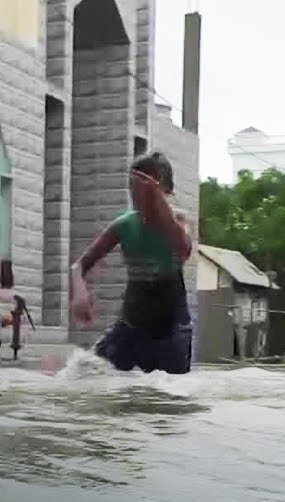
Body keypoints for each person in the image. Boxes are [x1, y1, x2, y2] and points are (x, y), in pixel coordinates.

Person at [70, 151, 194, 374]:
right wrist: (80, 293)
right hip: (132, 324)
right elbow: (79, 266)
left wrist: (158, 203)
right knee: (83, 371)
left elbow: (183, 250)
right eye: (132, 187)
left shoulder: (178, 221)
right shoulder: (124, 225)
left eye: (145, 189)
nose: (137, 195)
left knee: (170, 393)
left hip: (172, 328)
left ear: (164, 190)